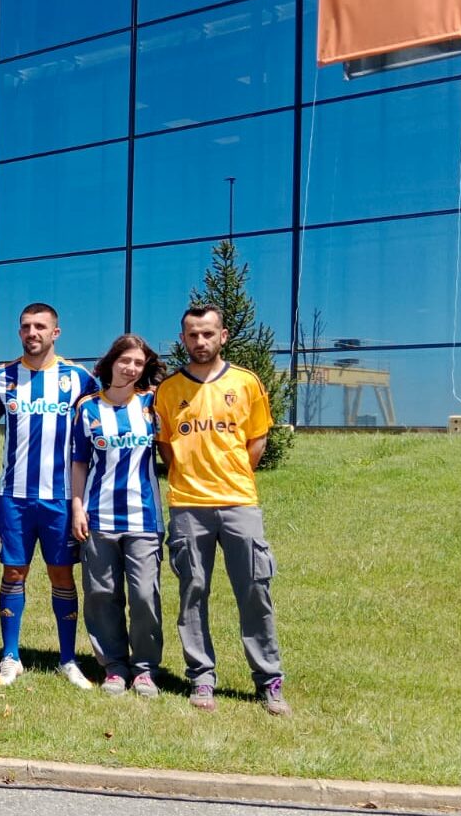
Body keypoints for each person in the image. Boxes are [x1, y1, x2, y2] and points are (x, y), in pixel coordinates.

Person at [154, 305, 289, 715]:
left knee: (255, 592)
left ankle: (269, 679)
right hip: (188, 506)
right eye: (193, 335)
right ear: (183, 339)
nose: (200, 342)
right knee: (192, 592)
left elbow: (256, 443)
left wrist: (230, 479)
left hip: (238, 503)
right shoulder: (168, 390)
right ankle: (201, 677)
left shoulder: (246, 383)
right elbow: (165, 446)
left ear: (223, 336)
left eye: (208, 334)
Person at [0, 302, 99, 689]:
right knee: (13, 571)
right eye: (25, 327)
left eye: (40, 326)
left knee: (61, 573)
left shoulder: (79, 379)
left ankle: (68, 660)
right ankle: (10, 656)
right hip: (15, 497)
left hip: (61, 498)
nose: (32, 332)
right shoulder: (2, 378)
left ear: (56, 332)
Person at [69, 334, 165, 697]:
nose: (131, 368)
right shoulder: (87, 408)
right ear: (111, 362)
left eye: (139, 363)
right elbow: (79, 462)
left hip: (144, 520)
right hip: (98, 518)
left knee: (143, 595)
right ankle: (113, 667)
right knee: (101, 594)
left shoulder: (152, 404)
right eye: (126, 360)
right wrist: (77, 506)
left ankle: (145, 668)